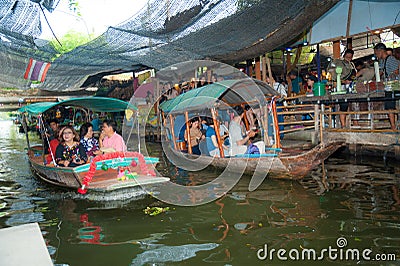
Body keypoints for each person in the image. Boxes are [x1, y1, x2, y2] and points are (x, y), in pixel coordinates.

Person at [374, 43, 399, 130]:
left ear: (380, 51)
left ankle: (394, 126)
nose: (376, 55)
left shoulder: (391, 59)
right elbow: (380, 72)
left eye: (376, 53)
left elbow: (396, 71)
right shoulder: (382, 61)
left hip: (395, 86)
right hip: (388, 86)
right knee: (389, 106)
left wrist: (389, 78)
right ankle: (393, 126)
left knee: (391, 106)